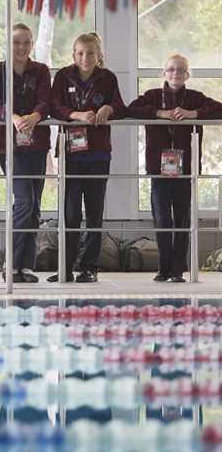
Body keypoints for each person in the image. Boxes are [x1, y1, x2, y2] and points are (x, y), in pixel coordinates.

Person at [127, 54, 222, 283]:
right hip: (159, 170)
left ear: (187, 74)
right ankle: (164, 268)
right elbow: (130, 109)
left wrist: (194, 114)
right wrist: (160, 114)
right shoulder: (151, 96)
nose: (175, 74)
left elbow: (219, 108)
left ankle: (178, 269)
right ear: (163, 73)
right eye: (171, 69)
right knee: (162, 218)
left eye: (180, 70)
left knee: (182, 219)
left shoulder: (196, 98)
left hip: (185, 169)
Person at [49, 33, 126, 283]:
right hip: (72, 154)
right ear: (74, 55)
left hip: (98, 154)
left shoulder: (108, 78)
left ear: (99, 55)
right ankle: (66, 266)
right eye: (81, 53)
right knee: (70, 213)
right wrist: (77, 115)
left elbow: (121, 106)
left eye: (90, 53)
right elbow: (55, 106)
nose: (85, 57)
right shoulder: (63, 76)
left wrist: (108, 108)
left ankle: (89, 267)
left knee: (94, 212)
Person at [0, 24, 52, 283]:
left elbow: (46, 101)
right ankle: (10, 263)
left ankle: (26, 265)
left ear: (32, 44)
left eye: (26, 42)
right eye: (16, 42)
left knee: (35, 204)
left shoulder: (41, 70)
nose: (21, 47)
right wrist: (13, 117)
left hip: (36, 142)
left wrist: (35, 116)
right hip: (9, 145)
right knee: (24, 200)